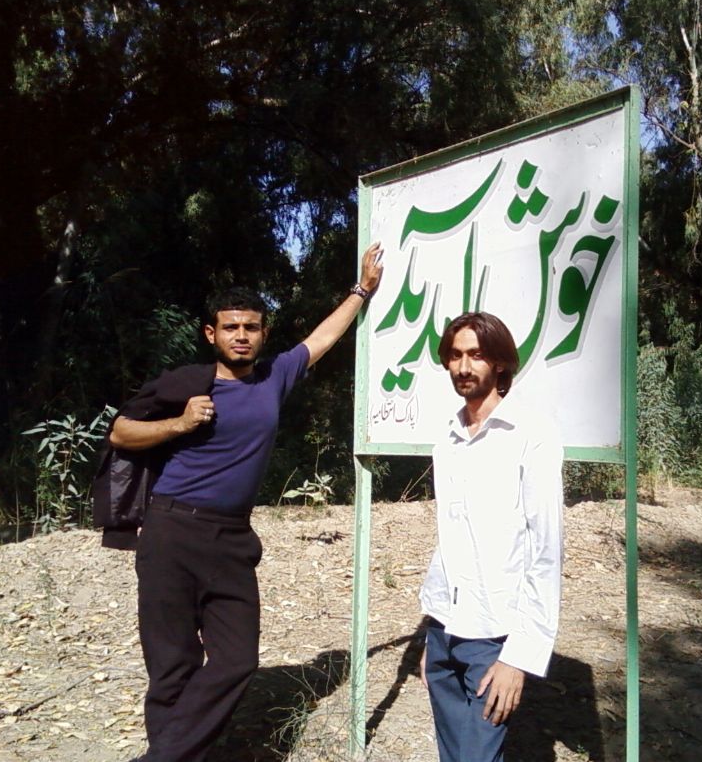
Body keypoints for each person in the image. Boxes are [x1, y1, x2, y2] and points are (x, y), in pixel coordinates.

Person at [109, 242, 383, 762]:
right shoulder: (188, 382)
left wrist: (362, 290)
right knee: (173, 665)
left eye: (250, 327)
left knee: (236, 661)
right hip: (171, 531)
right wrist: (180, 423)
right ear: (212, 334)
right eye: (231, 327)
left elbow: (322, 339)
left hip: (232, 538)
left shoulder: (274, 378)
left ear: (263, 333)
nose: (241, 335)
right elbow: (121, 433)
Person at [418, 311, 564, 762]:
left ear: (499, 364)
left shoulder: (530, 435)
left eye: (477, 356)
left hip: (494, 634)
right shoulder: (449, 436)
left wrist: (519, 656)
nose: (464, 367)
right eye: (456, 356)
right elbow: (452, 539)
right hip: (445, 628)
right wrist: (432, 634)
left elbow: (546, 553)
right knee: (453, 756)